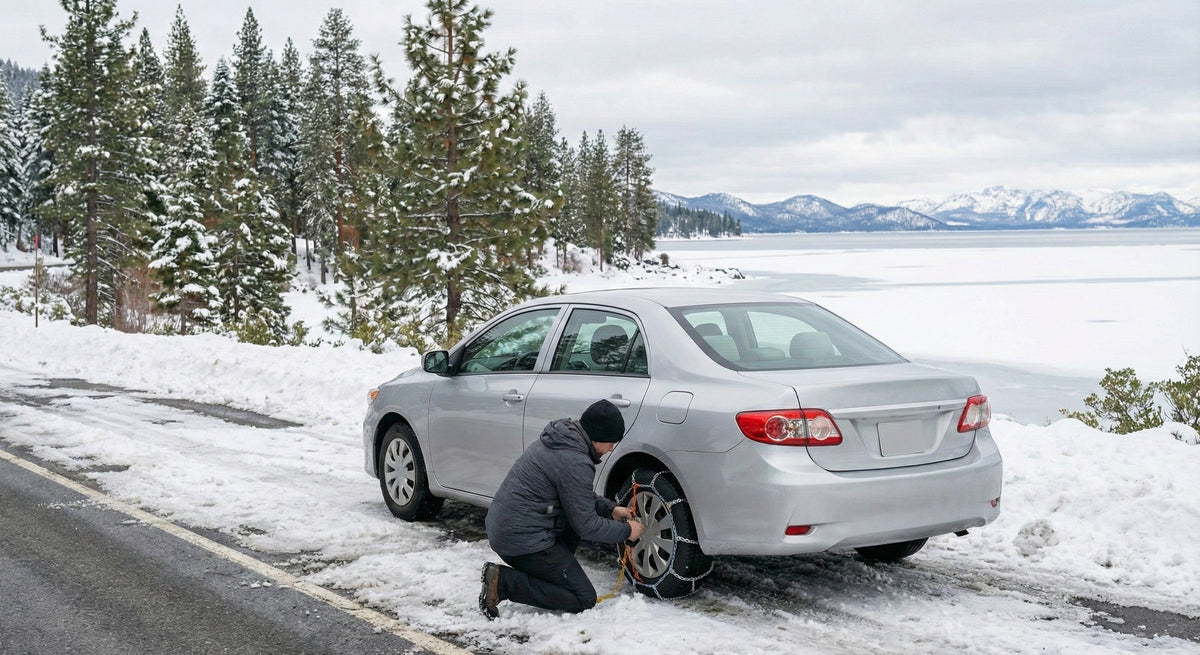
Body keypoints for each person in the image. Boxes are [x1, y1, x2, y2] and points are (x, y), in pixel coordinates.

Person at [479, 399, 644, 619]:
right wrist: (627, 532)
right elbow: (587, 526)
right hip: (521, 540)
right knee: (583, 597)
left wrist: (611, 508)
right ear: (597, 437)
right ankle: (503, 583)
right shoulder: (575, 460)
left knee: (572, 521)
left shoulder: (563, 440)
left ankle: (552, 573)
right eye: (610, 442)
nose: (611, 448)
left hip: (510, 529)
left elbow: (576, 496)